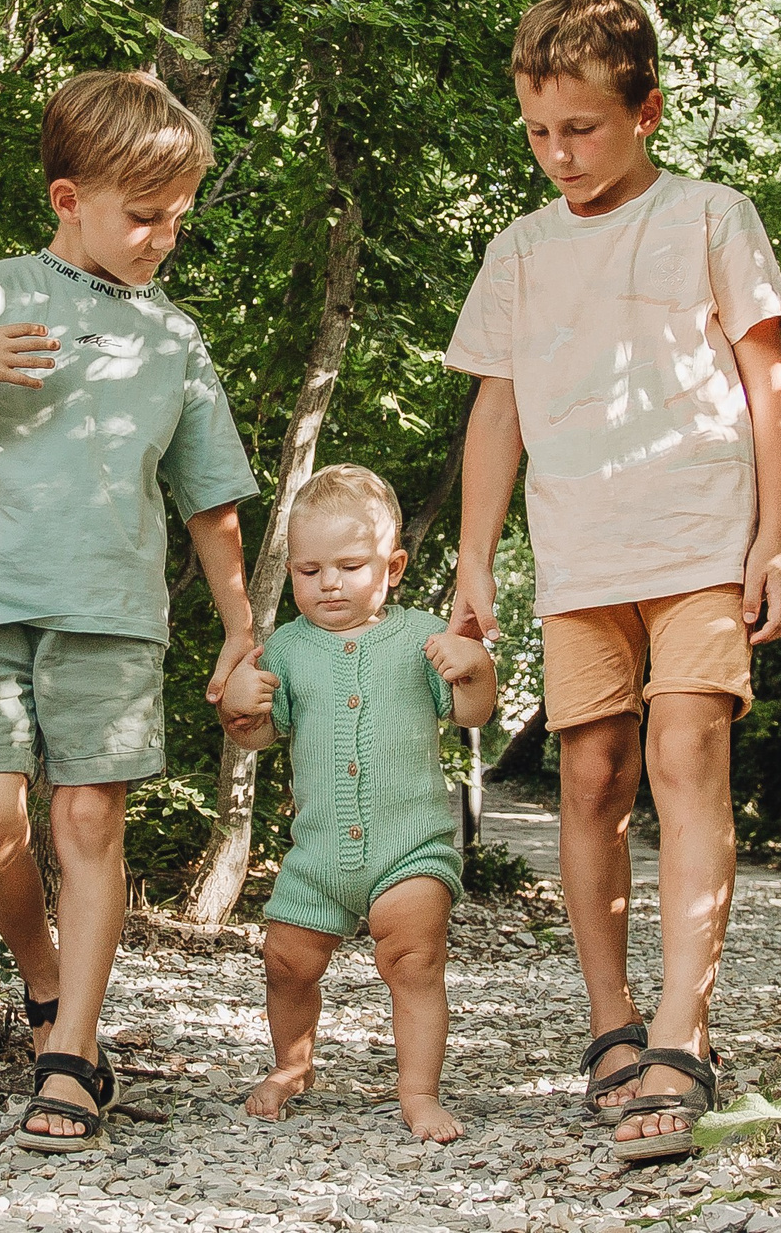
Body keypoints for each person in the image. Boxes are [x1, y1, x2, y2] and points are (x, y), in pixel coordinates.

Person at [443, 0, 781, 1163]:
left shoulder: (709, 214)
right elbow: (494, 415)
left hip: (699, 540)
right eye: (539, 132)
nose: (558, 155)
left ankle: (682, 1039)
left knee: (683, 753)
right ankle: (611, 1029)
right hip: (576, 553)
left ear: (645, 109)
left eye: (581, 129)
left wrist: (772, 539)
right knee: (589, 776)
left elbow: (768, 388)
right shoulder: (522, 247)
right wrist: (475, 562)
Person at [0, 69, 261, 1153]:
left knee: (89, 820)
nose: (160, 238)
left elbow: (210, 501)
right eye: (141, 216)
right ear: (68, 199)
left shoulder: (175, 341)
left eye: (177, 219)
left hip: (110, 612)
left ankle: (68, 1062)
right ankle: (47, 984)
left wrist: (239, 626)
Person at [214, 464, 497, 1143]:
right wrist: (237, 706)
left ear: (392, 566)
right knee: (285, 960)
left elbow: (471, 708)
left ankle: (419, 1091)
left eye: (349, 564)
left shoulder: (421, 636)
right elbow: (256, 734)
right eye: (310, 571)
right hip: (316, 857)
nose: (329, 583)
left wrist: (475, 667)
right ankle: (292, 1064)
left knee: (413, 959)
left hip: (411, 849)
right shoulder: (285, 647)